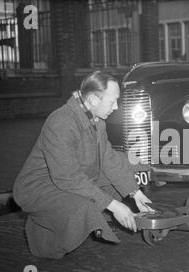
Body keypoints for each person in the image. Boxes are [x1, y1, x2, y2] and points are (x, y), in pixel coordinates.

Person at [13, 71, 153, 259]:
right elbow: (67, 178)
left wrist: (135, 193)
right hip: (40, 187)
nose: (116, 107)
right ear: (94, 100)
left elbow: (108, 159)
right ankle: (43, 237)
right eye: (112, 102)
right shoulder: (61, 121)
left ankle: (66, 218)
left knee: (127, 166)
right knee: (84, 206)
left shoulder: (97, 120)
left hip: (71, 176)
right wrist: (113, 205)